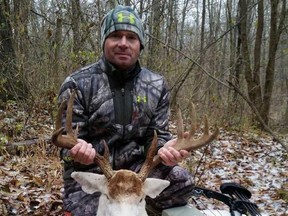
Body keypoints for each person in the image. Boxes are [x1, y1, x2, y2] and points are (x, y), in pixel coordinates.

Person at [57, 5, 194, 216]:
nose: (123, 43)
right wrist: (76, 153)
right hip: (95, 174)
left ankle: (139, 205)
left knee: (182, 181)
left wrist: (167, 151)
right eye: (115, 36)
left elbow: (156, 137)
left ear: (140, 44)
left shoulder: (156, 85)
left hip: (139, 174)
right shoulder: (77, 83)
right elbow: (64, 149)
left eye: (131, 37)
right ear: (104, 42)